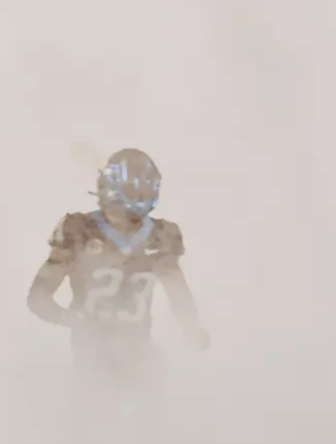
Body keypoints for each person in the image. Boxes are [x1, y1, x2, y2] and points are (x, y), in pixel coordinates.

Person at [26, 150, 208, 394]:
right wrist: (72, 320)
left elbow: (176, 290)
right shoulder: (80, 230)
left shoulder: (160, 236)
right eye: (135, 191)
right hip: (92, 352)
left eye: (144, 190)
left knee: (155, 407)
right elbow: (38, 298)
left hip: (139, 347)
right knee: (97, 412)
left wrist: (191, 327)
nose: (139, 199)